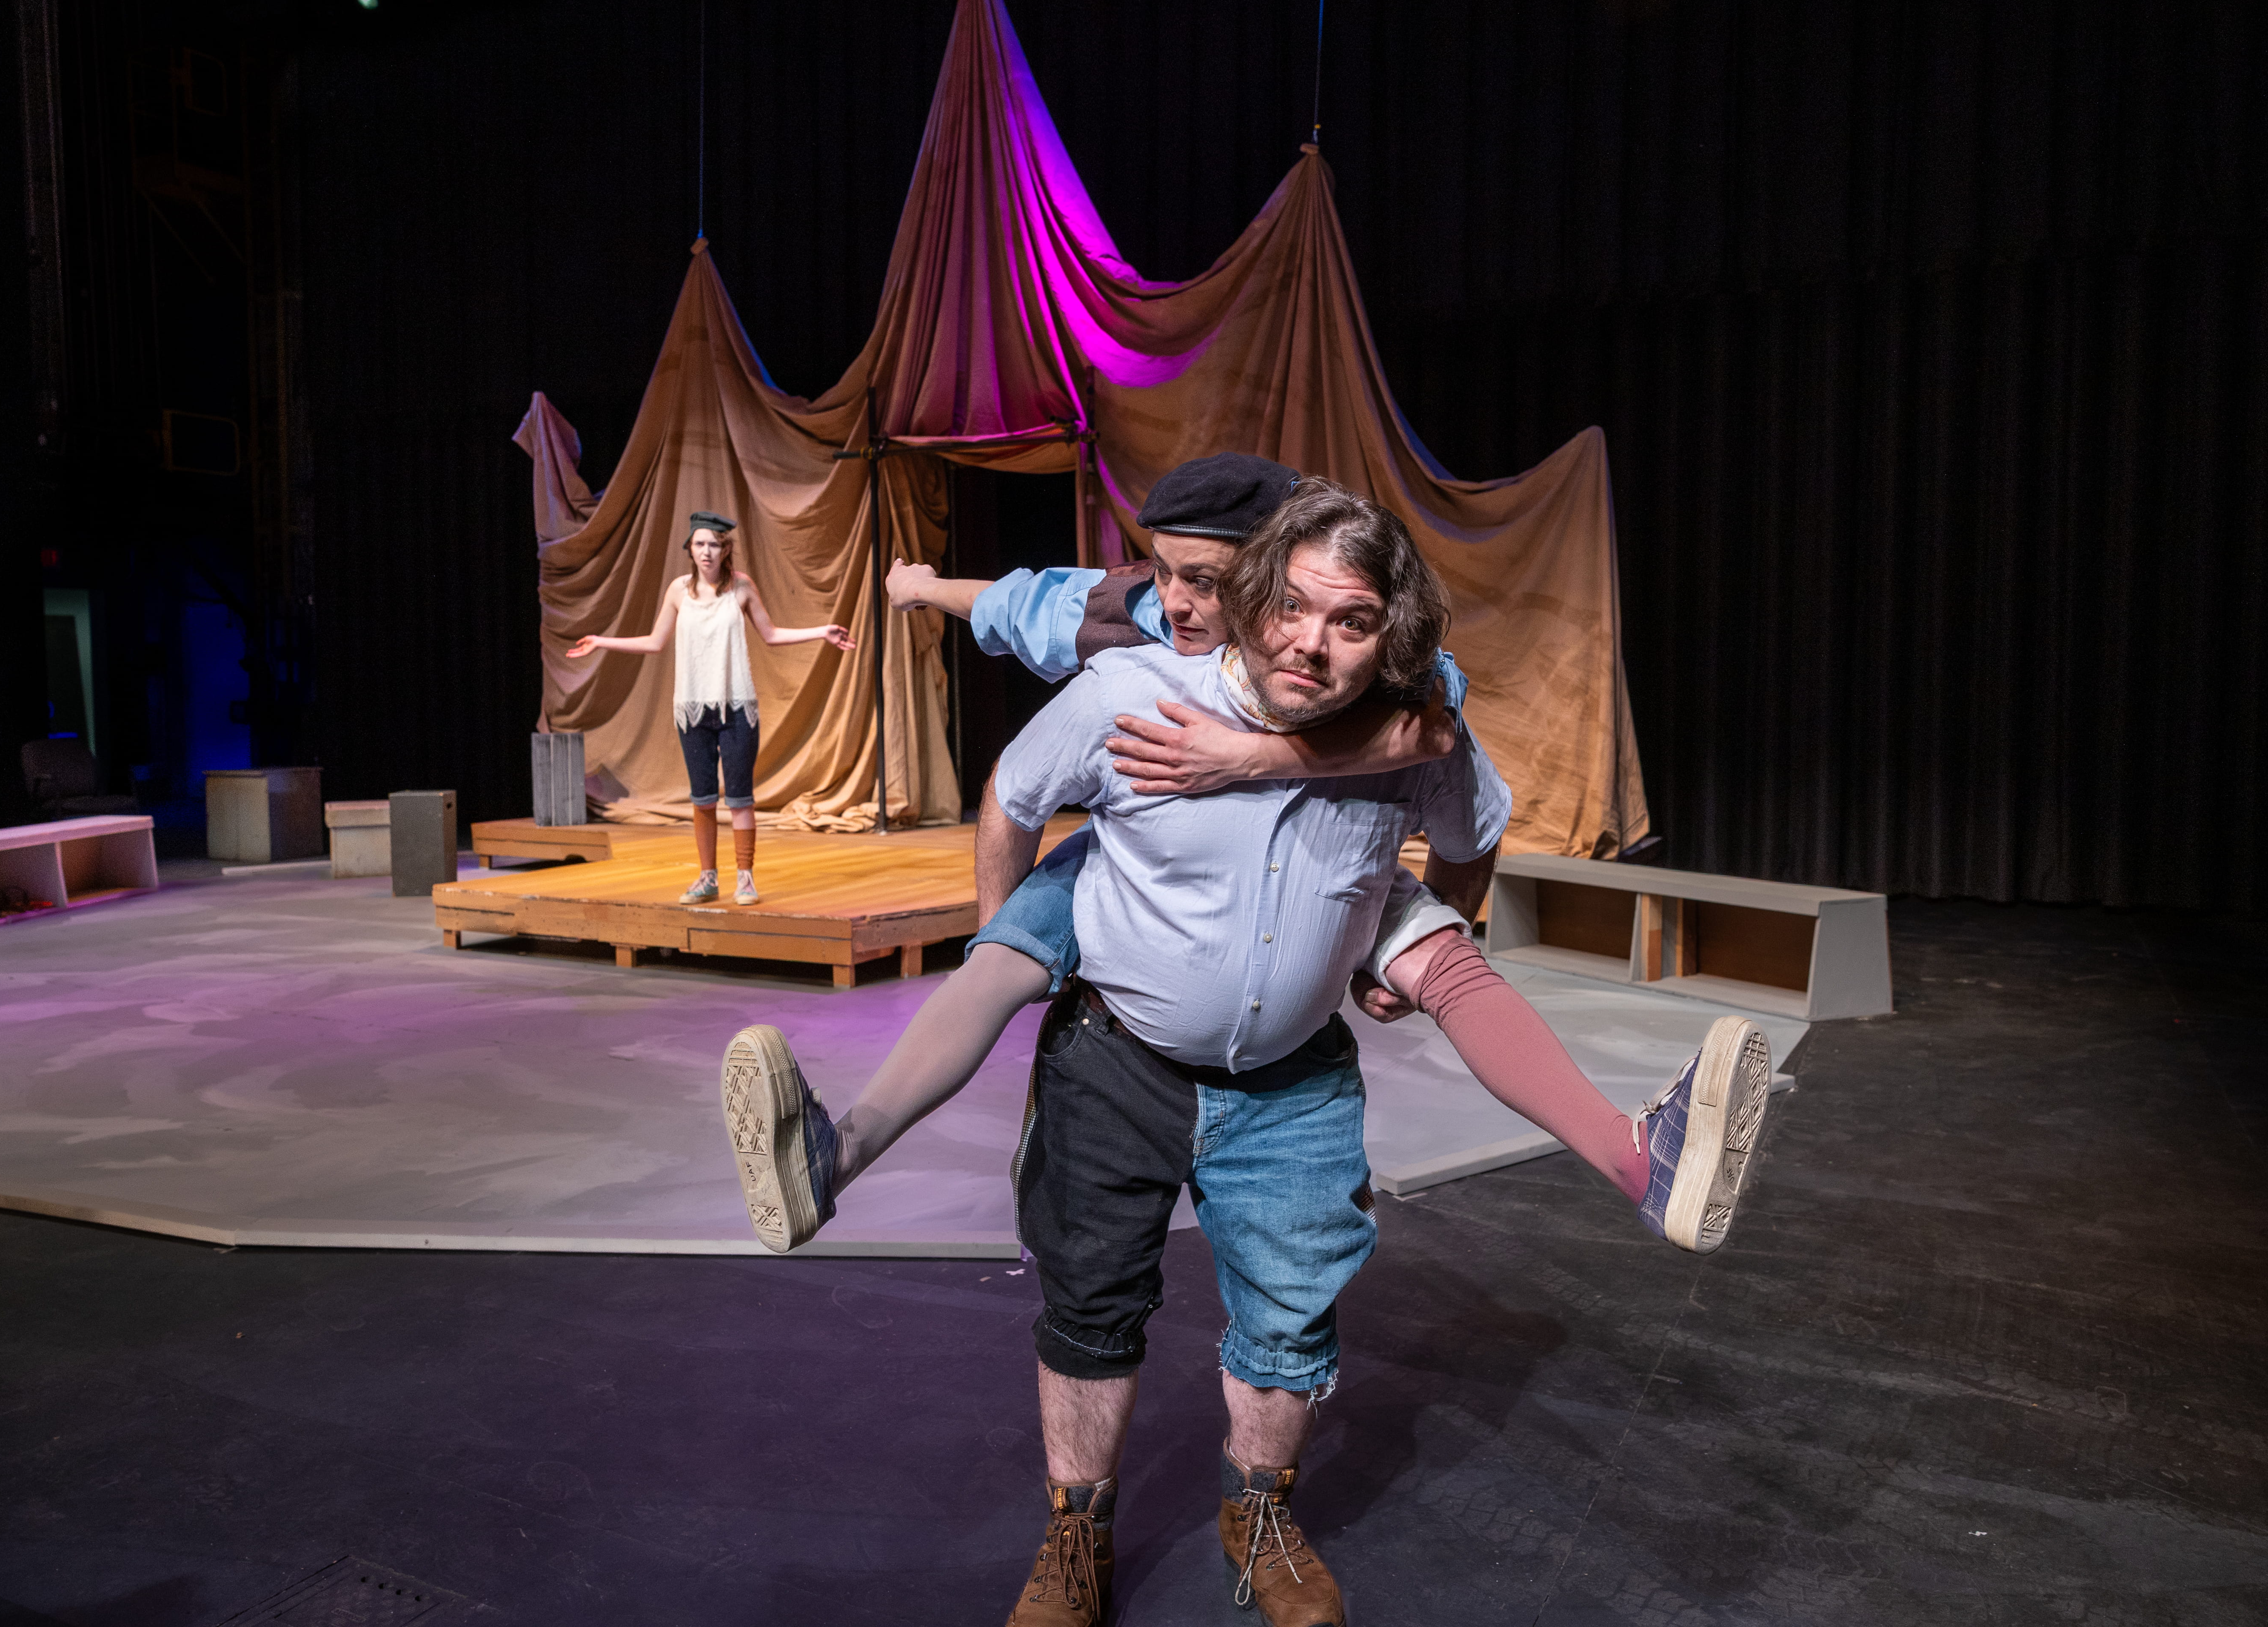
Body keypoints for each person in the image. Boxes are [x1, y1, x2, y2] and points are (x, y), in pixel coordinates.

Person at [730, 484, 1774, 1627]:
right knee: (1087, 1297)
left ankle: (1268, 1504)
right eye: (1288, 606)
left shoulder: (1414, 719)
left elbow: (1465, 813)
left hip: (1292, 1077)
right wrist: (1005, 910)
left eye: (1350, 622)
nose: (1310, 643)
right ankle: (1071, 1521)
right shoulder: (1129, 684)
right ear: (1249, 592)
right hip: (1117, 1055)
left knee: (1295, 1307)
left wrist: (1328, 823)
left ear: (1386, 630)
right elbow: (1017, 785)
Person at [726, 456, 1756, 1267]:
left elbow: (1432, 727)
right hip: (1139, 851)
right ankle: (842, 1153)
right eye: (1164, 570)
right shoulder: (1129, 621)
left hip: (1330, 846)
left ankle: (1639, 1163)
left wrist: (1247, 756)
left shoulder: (1346, 631)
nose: (1176, 600)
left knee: (1446, 961)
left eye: (1206, 582)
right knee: (1004, 953)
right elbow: (1016, 603)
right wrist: (915, 585)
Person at [565, 510, 854, 906]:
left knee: (739, 798)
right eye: (699, 544)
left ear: (726, 549)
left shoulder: (741, 589)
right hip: (693, 711)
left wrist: (822, 631)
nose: (706, 551)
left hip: (736, 708)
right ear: (690, 548)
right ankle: (707, 878)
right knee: (702, 799)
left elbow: (770, 635)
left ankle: (746, 878)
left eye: (714, 544)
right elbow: (655, 642)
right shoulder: (678, 592)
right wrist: (602, 641)